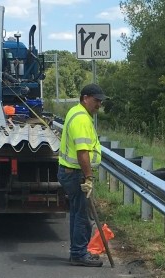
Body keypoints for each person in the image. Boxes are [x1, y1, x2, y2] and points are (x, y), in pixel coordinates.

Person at [57, 84, 107, 267]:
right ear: (85, 98)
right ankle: (79, 254)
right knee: (83, 216)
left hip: (71, 171)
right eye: (96, 100)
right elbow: (82, 153)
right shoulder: (81, 119)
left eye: (100, 101)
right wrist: (89, 177)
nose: (99, 104)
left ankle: (78, 251)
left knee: (78, 213)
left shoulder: (78, 113)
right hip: (76, 173)